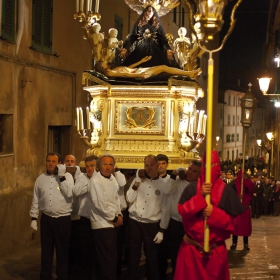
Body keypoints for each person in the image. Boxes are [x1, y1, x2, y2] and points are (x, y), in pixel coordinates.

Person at [174, 150, 244, 280]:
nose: (209, 169)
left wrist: (214, 213)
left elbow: (235, 224)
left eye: (212, 165)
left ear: (218, 166)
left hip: (215, 253)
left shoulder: (227, 192)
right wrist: (199, 198)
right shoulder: (191, 188)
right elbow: (183, 212)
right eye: (206, 165)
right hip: (191, 251)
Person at [29, 152, 74, 280]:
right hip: (47, 219)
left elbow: (69, 193)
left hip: (63, 220)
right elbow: (35, 199)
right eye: (48, 161)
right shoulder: (40, 179)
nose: (50, 163)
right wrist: (34, 218)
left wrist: (61, 176)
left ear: (59, 163)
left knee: (62, 253)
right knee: (46, 253)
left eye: (54, 161)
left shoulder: (67, 177)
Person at [126, 154, 169, 280]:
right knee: (133, 257)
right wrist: (136, 183)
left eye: (151, 165)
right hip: (134, 222)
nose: (149, 168)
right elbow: (129, 198)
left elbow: (165, 209)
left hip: (152, 225)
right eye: (146, 165)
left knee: (152, 258)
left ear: (157, 166)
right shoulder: (137, 180)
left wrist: (162, 230)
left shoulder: (164, 185)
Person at [160, 160, 202, 279]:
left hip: (192, 225)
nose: (190, 173)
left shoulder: (200, 186)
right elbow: (166, 191)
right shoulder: (177, 181)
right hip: (176, 223)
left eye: (194, 171)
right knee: (175, 255)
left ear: (199, 174)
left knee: (191, 256)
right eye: (189, 169)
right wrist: (173, 174)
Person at [88, 154, 123, 280]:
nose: (108, 167)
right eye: (105, 164)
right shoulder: (95, 180)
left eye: (110, 164)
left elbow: (116, 199)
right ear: (99, 166)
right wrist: (114, 218)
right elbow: (99, 203)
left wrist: (119, 214)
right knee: (108, 260)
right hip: (102, 224)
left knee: (109, 259)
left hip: (112, 223)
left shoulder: (112, 178)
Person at [70, 155, 98, 280]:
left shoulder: (102, 177)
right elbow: (76, 191)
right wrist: (91, 182)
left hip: (98, 219)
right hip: (85, 219)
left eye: (92, 166)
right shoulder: (81, 177)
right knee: (84, 250)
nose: (89, 168)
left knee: (96, 250)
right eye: (87, 166)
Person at [96, 55, 201, 79]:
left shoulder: (112, 70)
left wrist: (141, 61)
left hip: (138, 70)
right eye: (103, 62)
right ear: (102, 67)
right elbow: (125, 74)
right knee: (164, 68)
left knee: (164, 69)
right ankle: (189, 73)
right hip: (139, 73)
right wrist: (140, 75)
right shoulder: (109, 73)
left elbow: (128, 68)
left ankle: (189, 73)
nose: (105, 61)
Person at [230, 170, 254, 251]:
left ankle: (246, 243)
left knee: (245, 227)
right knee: (236, 226)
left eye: (244, 174)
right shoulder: (233, 184)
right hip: (237, 209)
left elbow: (251, 189)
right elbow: (230, 195)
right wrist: (237, 197)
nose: (243, 176)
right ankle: (234, 243)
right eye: (242, 174)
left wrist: (246, 181)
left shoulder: (247, 184)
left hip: (245, 208)